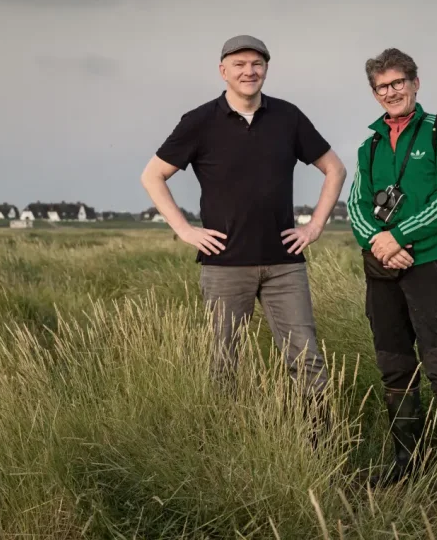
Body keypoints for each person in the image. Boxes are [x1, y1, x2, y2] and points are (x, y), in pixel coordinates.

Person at [140, 34, 347, 427]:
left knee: (307, 359)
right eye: (239, 64)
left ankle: (322, 449)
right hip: (224, 265)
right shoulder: (199, 121)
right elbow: (153, 175)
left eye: (257, 64)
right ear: (223, 71)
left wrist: (315, 225)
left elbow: (334, 169)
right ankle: (223, 443)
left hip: (285, 264)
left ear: (266, 69)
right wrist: (185, 230)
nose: (249, 71)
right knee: (222, 359)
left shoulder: (289, 117)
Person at [345, 47, 437, 495]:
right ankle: (407, 465)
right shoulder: (370, 144)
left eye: (398, 82)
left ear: (415, 83)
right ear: (374, 93)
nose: (391, 92)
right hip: (382, 268)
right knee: (395, 366)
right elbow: (356, 206)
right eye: (382, 86)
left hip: (430, 263)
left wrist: (399, 237)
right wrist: (380, 244)